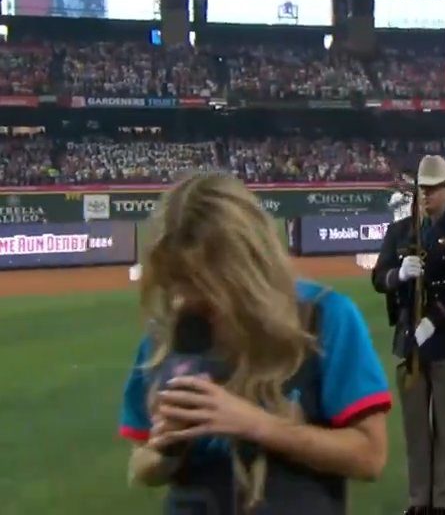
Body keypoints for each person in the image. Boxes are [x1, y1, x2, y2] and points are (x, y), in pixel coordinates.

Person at [117, 172, 391, 514]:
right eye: (177, 282)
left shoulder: (323, 318)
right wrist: (169, 448)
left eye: (203, 282)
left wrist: (258, 425)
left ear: (247, 266)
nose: (185, 299)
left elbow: (370, 456)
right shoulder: (169, 337)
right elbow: (142, 464)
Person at [371, 155, 445, 515]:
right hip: (408, 341)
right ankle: (419, 500)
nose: (428, 194)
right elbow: (378, 277)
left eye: (435, 188)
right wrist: (398, 275)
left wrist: (433, 320)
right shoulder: (400, 231)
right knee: (416, 429)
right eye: (423, 188)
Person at [356, 175, 414, 270]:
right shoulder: (396, 196)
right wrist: (401, 200)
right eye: (402, 184)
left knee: (408, 246)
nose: (404, 186)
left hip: (408, 223)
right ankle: (395, 265)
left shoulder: (412, 197)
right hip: (398, 223)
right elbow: (390, 206)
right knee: (397, 247)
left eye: (406, 184)